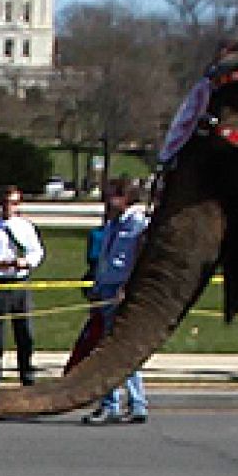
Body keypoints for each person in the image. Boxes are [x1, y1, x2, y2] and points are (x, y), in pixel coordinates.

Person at [81, 178, 151, 424]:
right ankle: (136, 402)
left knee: (109, 349)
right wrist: (97, 287)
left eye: (112, 196)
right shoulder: (113, 224)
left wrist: (127, 288)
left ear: (125, 198)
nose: (107, 202)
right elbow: (106, 259)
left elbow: (138, 260)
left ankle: (112, 403)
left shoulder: (138, 224)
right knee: (118, 349)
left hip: (121, 289)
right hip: (106, 288)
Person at [0, 186, 44, 389]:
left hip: (19, 282)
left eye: (13, 203)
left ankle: (26, 371)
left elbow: (36, 252)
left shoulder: (26, 228)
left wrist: (26, 262)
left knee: (24, 331)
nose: (8, 207)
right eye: (5, 203)